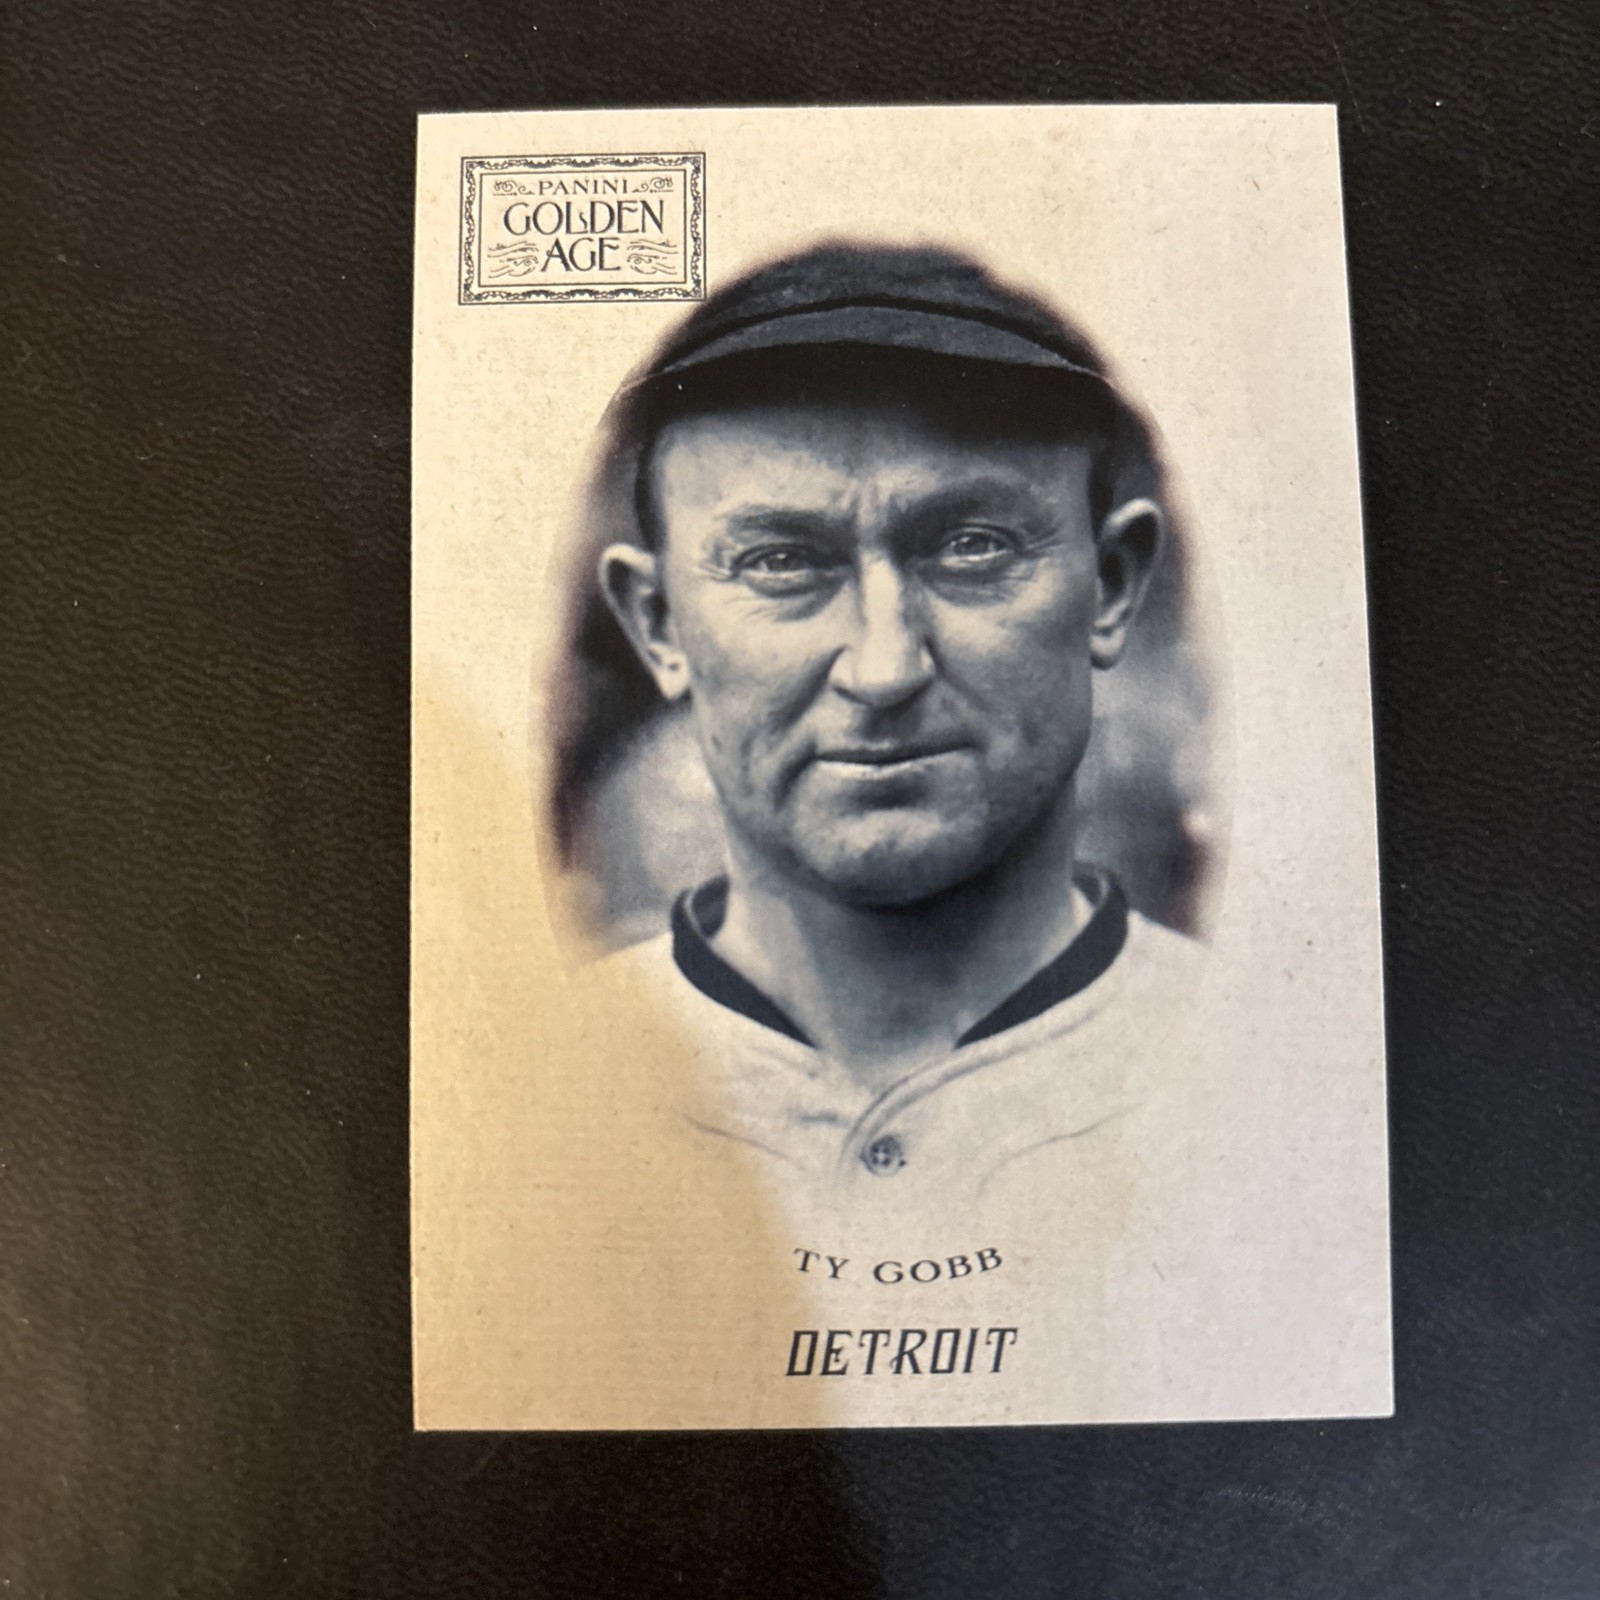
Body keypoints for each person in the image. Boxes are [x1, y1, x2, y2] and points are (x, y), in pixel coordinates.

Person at [590, 242, 1204, 1211]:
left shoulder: (1279, 1063)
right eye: (781, 562)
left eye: (973, 547)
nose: (884, 669)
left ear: (1112, 586)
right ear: (658, 625)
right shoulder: (530, 1085)